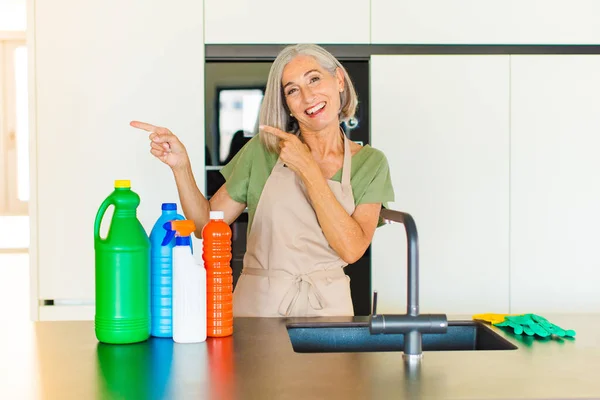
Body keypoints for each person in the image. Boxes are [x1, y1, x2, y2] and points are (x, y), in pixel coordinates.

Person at [131, 44, 394, 318]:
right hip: (258, 309)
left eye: (314, 79)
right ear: (287, 107)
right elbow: (203, 226)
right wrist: (181, 167)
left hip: (328, 311)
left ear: (338, 80)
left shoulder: (371, 163)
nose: (307, 96)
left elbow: (352, 249)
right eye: (292, 90)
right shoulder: (263, 151)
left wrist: (307, 169)